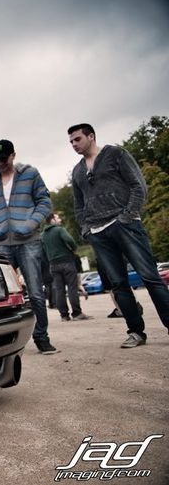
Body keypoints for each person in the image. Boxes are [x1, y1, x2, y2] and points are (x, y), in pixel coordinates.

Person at [69, 123, 169, 348]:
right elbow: (78, 205)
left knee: (149, 276)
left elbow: (138, 185)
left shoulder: (116, 154)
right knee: (118, 284)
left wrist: (127, 216)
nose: (74, 145)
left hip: (125, 225)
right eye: (71, 142)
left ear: (91, 136)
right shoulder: (77, 171)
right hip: (98, 232)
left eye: (77, 139)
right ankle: (136, 332)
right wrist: (86, 229)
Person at [0, 139, 56, 353]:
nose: (0, 163)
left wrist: (30, 225)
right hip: (2, 244)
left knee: (35, 293)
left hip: (29, 242)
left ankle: (42, 337)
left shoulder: (30, 173)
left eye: (3, 158)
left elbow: (44, 202)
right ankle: (5, 340)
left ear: (13, 155)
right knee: (1, 294)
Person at [41, 212, 93, 321]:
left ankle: (64, 315)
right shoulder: (59, 230)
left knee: (59, 290)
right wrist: (73, 249)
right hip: (66, 261)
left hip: (53, 264)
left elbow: (43, 251)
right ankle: (77, 313)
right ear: (52, 220)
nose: (59, 219)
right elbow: (70, 240)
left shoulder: (43, 235)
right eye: (57, 217)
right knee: (72, 288)